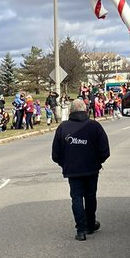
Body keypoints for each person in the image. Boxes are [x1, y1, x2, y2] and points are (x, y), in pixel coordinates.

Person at [51, 97, 111, 241]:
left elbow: (55, 154)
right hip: (91, 168)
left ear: (71, 111)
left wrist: (65, 164)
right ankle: (90, 224)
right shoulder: (94, 126)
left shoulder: (63, 127)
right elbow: (105, 150)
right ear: (85, 110)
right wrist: (97, 162)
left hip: (72, 169)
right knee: (90, 196)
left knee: (76, 198)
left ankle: (81, 229)